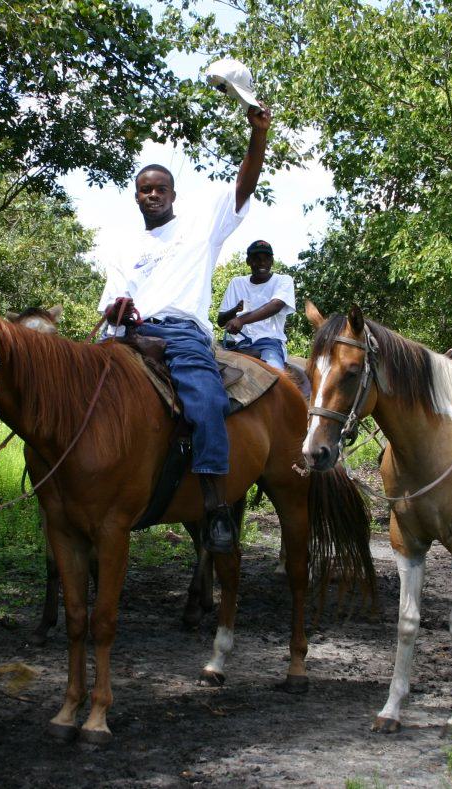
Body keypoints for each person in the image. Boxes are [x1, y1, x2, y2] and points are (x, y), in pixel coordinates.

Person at [96, 104, 272, 554]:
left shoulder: (200, 227)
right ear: (136, 197)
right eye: (144, 190)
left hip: (181, 332)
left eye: (159, 189)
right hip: (127, 335)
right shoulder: (124, 247)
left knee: (207, 401)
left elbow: (243, 184)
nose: (152, 195)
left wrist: (258, 135)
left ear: (172, 195)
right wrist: (119, 312)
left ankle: (214, 505)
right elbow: (111, 302)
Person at [217, 239, 296, 370]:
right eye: (256, 259)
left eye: (266, 258)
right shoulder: (237, 282)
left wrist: (241, 320)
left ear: (272, 261)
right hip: (236, 345)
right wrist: (234, 310)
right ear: (248, 261)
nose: (262, 263)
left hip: (268, 343)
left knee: (275, 374)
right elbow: (220, 321)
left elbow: (276, 305)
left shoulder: (283, 280)